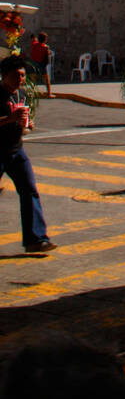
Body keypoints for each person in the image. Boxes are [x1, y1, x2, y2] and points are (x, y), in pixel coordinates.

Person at [0, 56, 55, 253]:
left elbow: (20, 115)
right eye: (16, 76)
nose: (20, 80)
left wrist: (26, 123)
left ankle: (36, 239)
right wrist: (9, 119)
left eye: (22, 76)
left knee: (29, 190)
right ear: (5, 75)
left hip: (16, 150)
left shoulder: (20, 94)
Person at [28, 32, 52, 98]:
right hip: (41, 64)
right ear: (45, 39)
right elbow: (47, 56)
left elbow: (33, 39)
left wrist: (34, 37)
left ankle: (32, 94)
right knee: (47, 81)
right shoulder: (45, 47)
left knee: (33, 81)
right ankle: (49, 94)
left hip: (33, 64)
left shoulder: (34, 44)